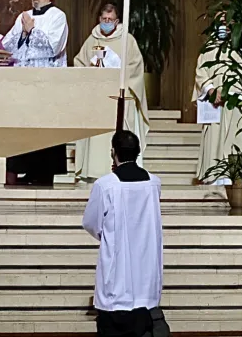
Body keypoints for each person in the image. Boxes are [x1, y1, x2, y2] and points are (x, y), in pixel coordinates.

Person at [82, 131, 163, 337]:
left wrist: (110, 237)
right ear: (138, 152)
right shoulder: (153, 183)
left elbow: (91, 222)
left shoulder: (105, 185)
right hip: (146, 266)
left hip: (117, 269)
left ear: (113, 152)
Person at [2, 0, 69, 186]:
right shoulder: (24, 17)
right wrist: (23, 32)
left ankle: (44, 173)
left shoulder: (58, 16)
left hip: (47, 85)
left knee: (45, 129)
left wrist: (32, 31)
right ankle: (25, 170)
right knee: (24, 127)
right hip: (24, 84)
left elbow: (54, 47)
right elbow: (7, 46)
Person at [74, 3, 150, 180]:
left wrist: (118, 72)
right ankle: (93, 171)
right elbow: (79, 63)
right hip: (97, 98)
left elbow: (136, 66)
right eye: (104, 19)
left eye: (110, 19)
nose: (106, 22)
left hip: (118, 96)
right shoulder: (92, 40)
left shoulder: (127, 40)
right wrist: (93, 69)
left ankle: (121, 168)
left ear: (117, 21)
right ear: (99, 19)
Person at [193, 14, 242, 185]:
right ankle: (213, 177)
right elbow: (200, 72)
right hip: (214, 103)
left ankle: (235, 178)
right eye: (220, 23)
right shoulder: (208, 50)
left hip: (236, 105)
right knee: (214, 139)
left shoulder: (241, 49)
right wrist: (210, 89)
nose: (224, 27)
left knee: (235, 138)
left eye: (227, 23)